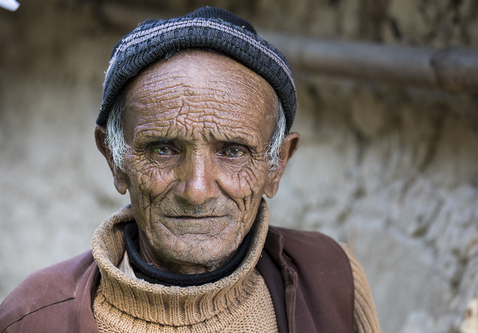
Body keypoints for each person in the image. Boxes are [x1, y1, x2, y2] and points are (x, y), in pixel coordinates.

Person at [0, 7, 380, 333]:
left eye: (233, 151)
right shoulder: (32, 318)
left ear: (276, 165)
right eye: (163, 149)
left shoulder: (332, 277)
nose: (196, 190)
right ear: (115, 159)